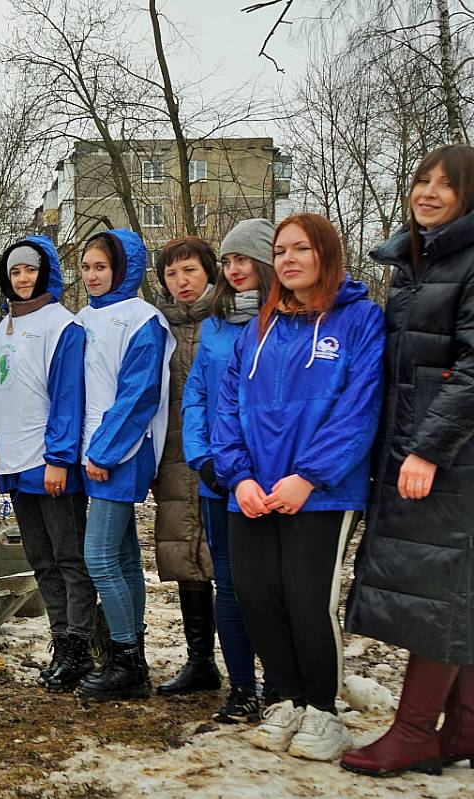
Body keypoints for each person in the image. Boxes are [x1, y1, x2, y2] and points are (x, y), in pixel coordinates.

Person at [213, 213, 384, 762]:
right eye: (281, 251)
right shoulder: (259, 327)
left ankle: (323, 710)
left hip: (322, 491)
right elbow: (228, 407)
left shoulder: (360, 320)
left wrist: (308, 476)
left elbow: (358, 411)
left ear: (325, 255)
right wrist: (238, 476)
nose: (288, 260)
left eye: (300, 249)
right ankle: (286, 697)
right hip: (254, 492)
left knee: (307, 599)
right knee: (258, 594)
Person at [342, 144, 474, 777]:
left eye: (445, 185)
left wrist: (426, 449)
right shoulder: (415, 263)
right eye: (422, 179)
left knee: (437, 594)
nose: (428, 192)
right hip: (412, 445)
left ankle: (416, 731)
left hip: (450, 458)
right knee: (457, 589)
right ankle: (464, 729)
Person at [0, 236, 95, 692]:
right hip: (14, 462)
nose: (23, 279)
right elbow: (1, 392)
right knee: (41, 560)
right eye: (14, 272)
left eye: (29, 270)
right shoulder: (3, 325)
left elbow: (68, 398)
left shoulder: (62, 326)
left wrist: (59, 458)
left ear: (44, 272)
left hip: (49, 464)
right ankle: (60, 639)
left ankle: (81, 649)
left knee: (70, 558)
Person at [74, 229, 174, 701]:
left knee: (98, 558)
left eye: (101, 267)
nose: (92, 276)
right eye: (86, 267)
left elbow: (138, 396)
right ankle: (132, 655)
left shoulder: (142, 320)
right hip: (92, 451)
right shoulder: (83, 318)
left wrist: (103, 452)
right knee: (124, 556)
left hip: (120, 453)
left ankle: (125, 658)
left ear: (122, 268)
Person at [182, 219, 275, 723]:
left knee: (273, 586)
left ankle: (282, 685)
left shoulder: (287, 318)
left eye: (244, 259)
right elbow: (196, 396)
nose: (235, 269)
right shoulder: (214, 325)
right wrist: (204, 458)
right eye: (229, 260)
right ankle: (242, 688)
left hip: (273, 481)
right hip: (220, 480)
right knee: (230, 582)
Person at [152, 236, 220, 697]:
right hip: (173, 458)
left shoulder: (230, 319)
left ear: (209, 273)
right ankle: (200, 662)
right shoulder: (160, 329)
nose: (181, 281)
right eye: (172, 274)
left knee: (232, 565)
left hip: (223, 459)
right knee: (184, 557)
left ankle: (258, 666)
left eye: (190, 271)